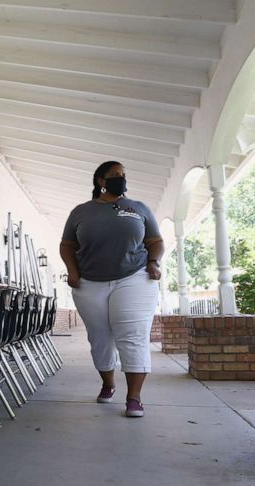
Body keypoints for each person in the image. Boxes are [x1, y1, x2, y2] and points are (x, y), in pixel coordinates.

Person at [59, 161, 165, 418]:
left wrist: (153, 261)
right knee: (100, 338)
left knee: (133, 334)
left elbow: (155, 241)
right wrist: (72, 271)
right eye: (115, 175)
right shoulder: (81, 212)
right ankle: (108, 383)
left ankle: (134, 397)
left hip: (134, 277)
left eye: (123, 175)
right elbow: (67, 245)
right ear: (100, 181)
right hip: (89, 282)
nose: (121, 179)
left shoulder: (138, 208)